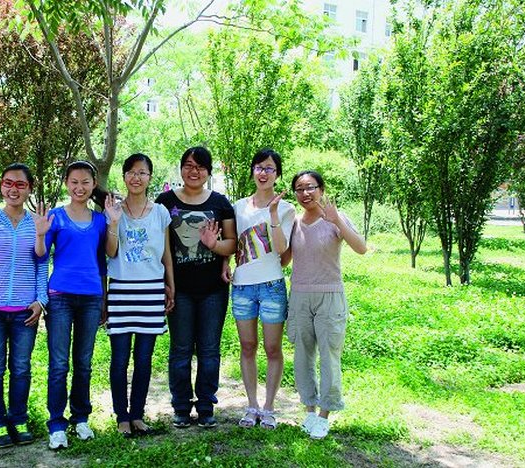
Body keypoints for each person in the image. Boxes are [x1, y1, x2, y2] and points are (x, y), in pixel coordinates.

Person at [282, 170, 367, 440]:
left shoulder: (335, 217)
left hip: (329, 296)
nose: (305, 193)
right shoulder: (294, 223)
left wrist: (337, 221)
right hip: (299, 296)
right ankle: (309, 409)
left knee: (329, 355)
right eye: (299, 189)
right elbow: (284, 260)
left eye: (310, 187)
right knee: (302, 354)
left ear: (321, 189)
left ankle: (324, 415)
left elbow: (361, 248)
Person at [155, 146, 236, 428]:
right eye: (188, 165)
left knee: (209, 349)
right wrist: (166, 283)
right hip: (179, 289)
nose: (194, 171)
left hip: (213, 289)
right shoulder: (165, 202)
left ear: (208, 172)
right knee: (180, 349)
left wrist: (215, 246)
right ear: (181, 169)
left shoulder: (220, 202)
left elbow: (232, 243)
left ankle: (205, 406)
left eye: (200, 167)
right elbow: (160, 244)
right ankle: (180, 406)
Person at [0, 163, 47, 448]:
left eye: (20, 184)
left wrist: (41, 300)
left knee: (21, 368)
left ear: (29, 189)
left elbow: (42, 262)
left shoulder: (36, 222)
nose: (13, 189)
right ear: (1, 186)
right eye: (8, 183)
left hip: (24, 311)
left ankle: (18, 419)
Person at [34, 160, 108, 449]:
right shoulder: (55, 216)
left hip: (91, 297)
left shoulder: (100, 220)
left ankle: (81, 418)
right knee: (59, 363)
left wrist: (104, 298)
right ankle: (56, 423)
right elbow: (41, 256)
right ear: (66, 183)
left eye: (85, 182)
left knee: (84, 362)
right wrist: (41, 234)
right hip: (60, 296)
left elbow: (102, 262)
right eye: (74, 182)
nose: (80, 187)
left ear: (93, 185)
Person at [103, 153, 175, 437]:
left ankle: (137, 415)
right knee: (119, 359)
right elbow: (110, 252)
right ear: (124, 176)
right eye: (132, 172)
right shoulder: (113, 210)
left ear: (150, 178)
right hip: (121, 290)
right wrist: (113, 223)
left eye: (142, 173)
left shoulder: (160, 213)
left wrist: (170, 285)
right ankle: (122, 417)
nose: (137, 177)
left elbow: (166, 254)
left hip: (151, 291)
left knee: (144, 359)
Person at [225, 149, 295, 430]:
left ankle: (269, 407)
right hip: (242, 286)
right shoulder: (238, 206)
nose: (263, 173)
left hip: (271, 286)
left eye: (269, 168)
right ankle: (252, 404)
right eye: (259, 167)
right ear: (252, 171)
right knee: (247, 346)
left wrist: (273, 214)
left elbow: (281, 249)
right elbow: (233, 243)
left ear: (277, 174)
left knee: (272, 348)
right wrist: (225, 263)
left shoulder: (287, 209)